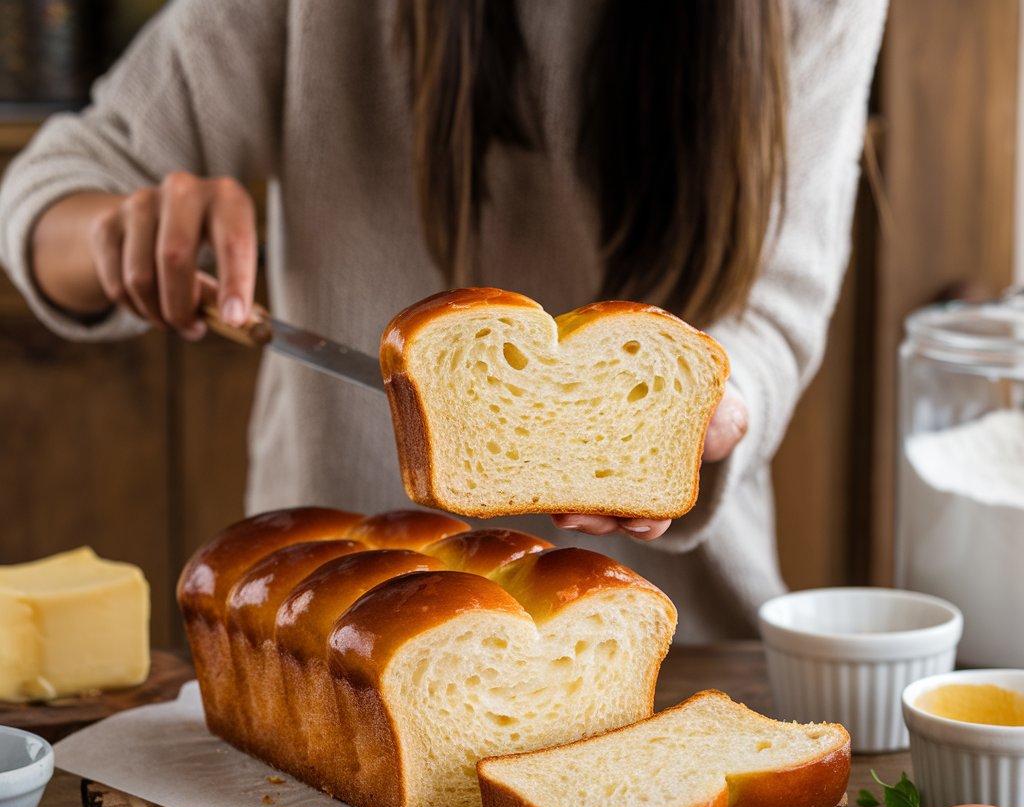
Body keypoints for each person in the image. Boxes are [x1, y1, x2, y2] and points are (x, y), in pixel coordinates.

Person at [0, 0, 887, 641]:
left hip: (683, 636)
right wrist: (118, 236)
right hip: (333, 612)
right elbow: (56, 187)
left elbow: (779, 300)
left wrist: (721, 404)